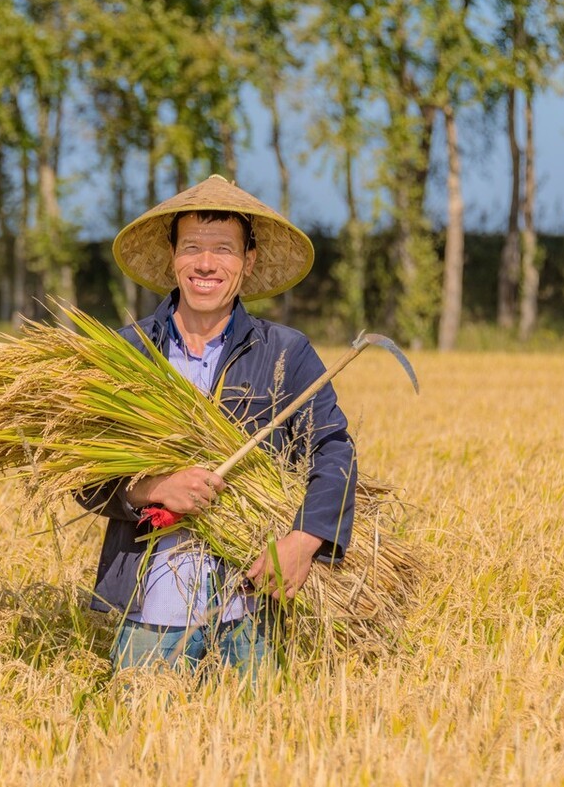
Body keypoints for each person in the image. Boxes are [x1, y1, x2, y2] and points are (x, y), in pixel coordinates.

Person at [77, 175, 356, 677]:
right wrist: (154, 489)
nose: (206, 264)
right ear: (172, 256)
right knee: (143, 741)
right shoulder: (127, 355)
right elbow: (81, 472)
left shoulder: (286, 353)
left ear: (248, 261)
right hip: (152, 611)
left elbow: (334, 450)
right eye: (193, 248)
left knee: (259, 744)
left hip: (253, 610)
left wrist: (305, 540)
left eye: (224, 249)